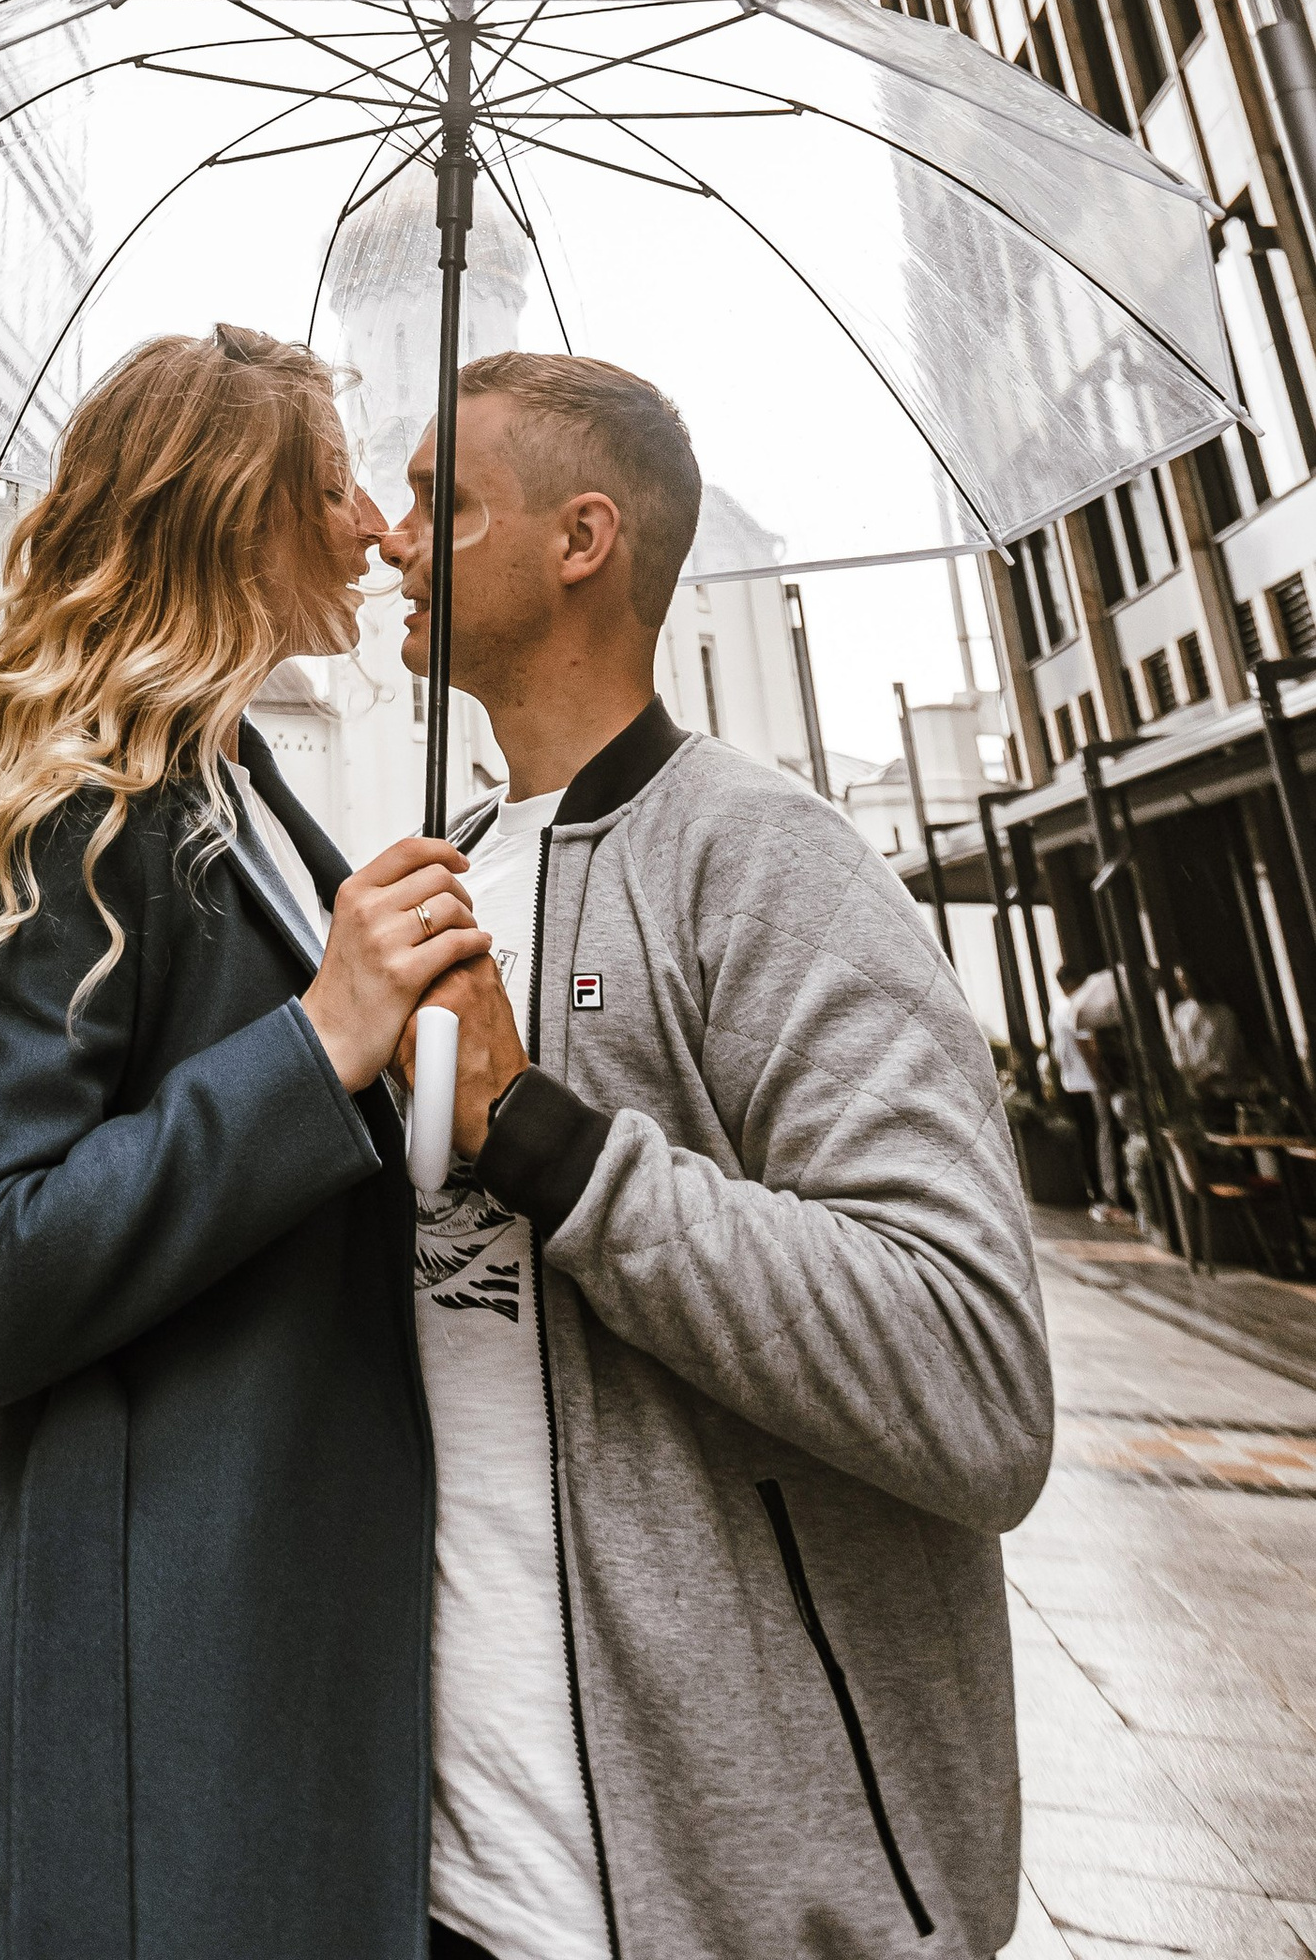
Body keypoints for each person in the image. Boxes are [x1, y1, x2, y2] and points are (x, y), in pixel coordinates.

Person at [0, 325, 476, 1960]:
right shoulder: (89, 810)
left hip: (279, 1616)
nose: (373, 530)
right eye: (332, 488)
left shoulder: (248, 791)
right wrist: (322, 1041)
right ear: (238, 514)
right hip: (161, 1642)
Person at [386, 349, 1053, 1960]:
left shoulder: (766, 860)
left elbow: (972, 1373)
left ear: (582, 538)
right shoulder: (429, 877)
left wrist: (540, 1135)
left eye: (437, 499)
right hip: (445, 1886)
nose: (389, 536)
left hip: (739, 1905)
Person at [1050, 965, 1121, 1208]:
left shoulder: (1056, 1010)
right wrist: (1100, 1077)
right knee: (1102, 1137)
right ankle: (1108, 1192)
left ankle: (1095, 1189)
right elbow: (1085, 1044)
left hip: (1070, 1083)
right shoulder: (1075, 1007)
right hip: (1088, 1083)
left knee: (1087, 1139)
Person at [1168, 964, 1250, 1111]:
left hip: (1222, 1093)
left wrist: (1205, 1079)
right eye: (1180, 981)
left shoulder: (1223, 1014)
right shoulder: (1181, 1012)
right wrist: (1188, 1079)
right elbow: (1177, 1050)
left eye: (1188, 980)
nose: (1185, 985)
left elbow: (1225, 1057)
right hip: (1193, 1093)